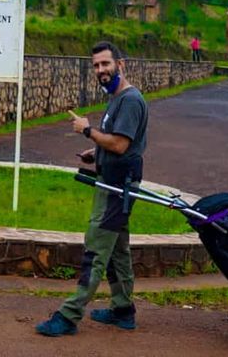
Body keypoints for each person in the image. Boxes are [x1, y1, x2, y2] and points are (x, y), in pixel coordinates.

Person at [35, 41, 148, 336]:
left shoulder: (130, 100)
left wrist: (87, 130)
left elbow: (121, 145)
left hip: (117, 188)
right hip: (112, 181)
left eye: (105, 64)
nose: (100, 70)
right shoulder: (116, 99)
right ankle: (123, 310)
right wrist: (95, 152)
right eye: (96, 65)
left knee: (96, 249)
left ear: (120, 65)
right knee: (117, 250)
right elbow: (115, 142)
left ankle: (69, 315)